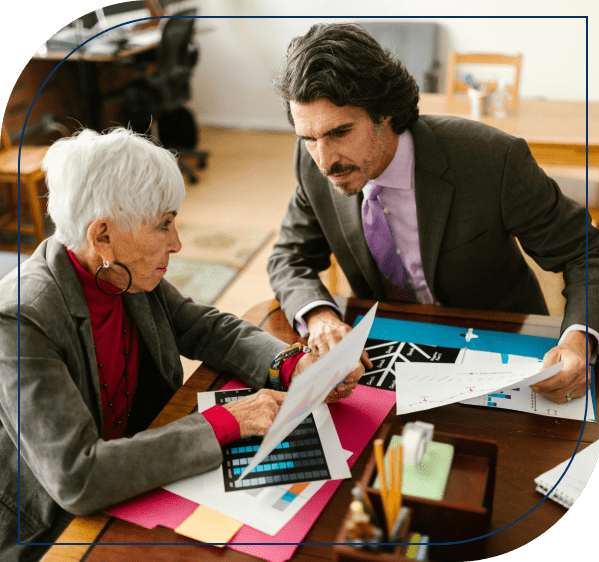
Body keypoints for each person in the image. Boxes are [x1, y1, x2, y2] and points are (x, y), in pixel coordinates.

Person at [0, 128, 361, 562]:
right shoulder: (21, 319)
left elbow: (205, 327)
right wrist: (226, 421)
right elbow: (78, 478)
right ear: (103, 237)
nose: (177, 242)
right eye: (163, 225)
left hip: (141, 470)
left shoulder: (119, 270)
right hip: (52, 527)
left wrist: (292, 364)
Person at [268, 22, 599, 405]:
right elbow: (289, 257)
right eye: (308, 138)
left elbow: (587, 253)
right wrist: (320, 317)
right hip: (389, 350)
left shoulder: (493, 160)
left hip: (504, 347)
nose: (324, 160)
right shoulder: (313, 164)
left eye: (340, 132)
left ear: (386, 114)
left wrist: (580, 339)